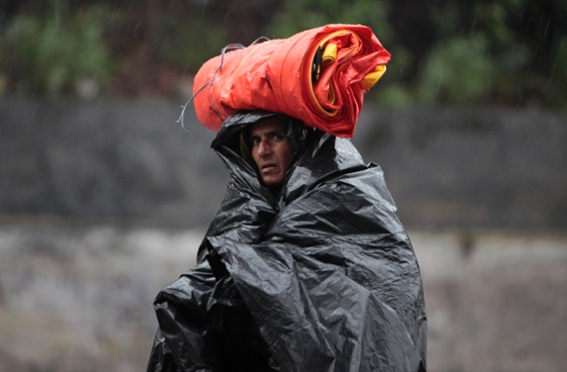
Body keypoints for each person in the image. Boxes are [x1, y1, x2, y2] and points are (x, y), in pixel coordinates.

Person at [147, 110, 427, 372]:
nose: (263, 151)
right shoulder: (255, 208)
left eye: (275, 137)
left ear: (299, 140)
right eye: (255, 140)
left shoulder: (340, 195)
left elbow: (334, 301)